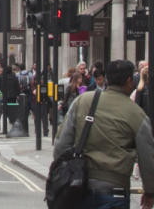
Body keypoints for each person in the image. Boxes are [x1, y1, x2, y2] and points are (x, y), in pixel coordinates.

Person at [54, 60, 154, 209]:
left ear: (107, 78)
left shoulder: (83, 101)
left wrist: (64, 176)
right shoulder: (137, 114)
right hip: (115, 192)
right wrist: (150, 191)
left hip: (79, 189)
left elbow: (61, 146)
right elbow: (147, 158)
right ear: (128, 81)